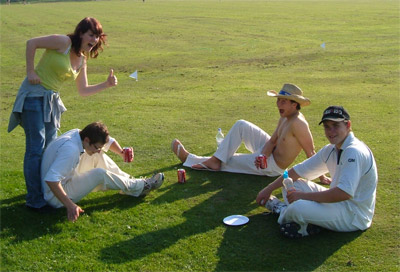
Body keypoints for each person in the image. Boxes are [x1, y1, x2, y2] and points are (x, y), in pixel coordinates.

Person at [7, 17, 118, 212]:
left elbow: (83, 90)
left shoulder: (83, 58)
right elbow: (31, 43)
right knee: (36, 148)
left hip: (51, 102)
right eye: (91, 35)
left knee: (50, 148)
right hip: (33, 96)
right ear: (81, 33)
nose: (94, 40)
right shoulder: (63, 42)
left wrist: (106, 85)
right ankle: (35, 199)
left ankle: (46, 191)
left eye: (97, 37)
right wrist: (31, 72)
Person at [256, 106, 378, 238]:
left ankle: (281, 210)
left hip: (354, 215)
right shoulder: (331, 149)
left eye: (335, 126)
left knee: (298, 207)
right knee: (290, 184)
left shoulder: (353, 151)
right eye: (327, 126)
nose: (331, 131)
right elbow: (297, 171)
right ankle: (309, 223)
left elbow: (344, 193)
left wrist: (303, 196)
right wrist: (268, 189)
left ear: (348, 125)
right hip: (338, 205)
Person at [172, 83, 329, 183]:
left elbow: (311, 152)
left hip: (273, 167)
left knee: (231, 161)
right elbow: (273, 141)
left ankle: (191, 159)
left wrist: (321, 177)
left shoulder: (299, 124)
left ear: (295, 104)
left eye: (283, 101)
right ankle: (215, 160)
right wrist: (263, 155)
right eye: (277, 100)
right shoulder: (285, 117)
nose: (277, 104)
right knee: (241, 125)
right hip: (268, 156)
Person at [41, 122, 164, 222]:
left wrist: (122, 153)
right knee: (99, 173)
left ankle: (132, 184)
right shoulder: (71, 151)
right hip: (55, 197)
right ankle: (142, 186)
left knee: (97, 155)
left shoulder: (78, 134)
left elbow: (107, 141)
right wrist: (70, 205)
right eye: (96, 147)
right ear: (87, 140)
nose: (98, 150)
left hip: (64, 181)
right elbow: (51, 179)